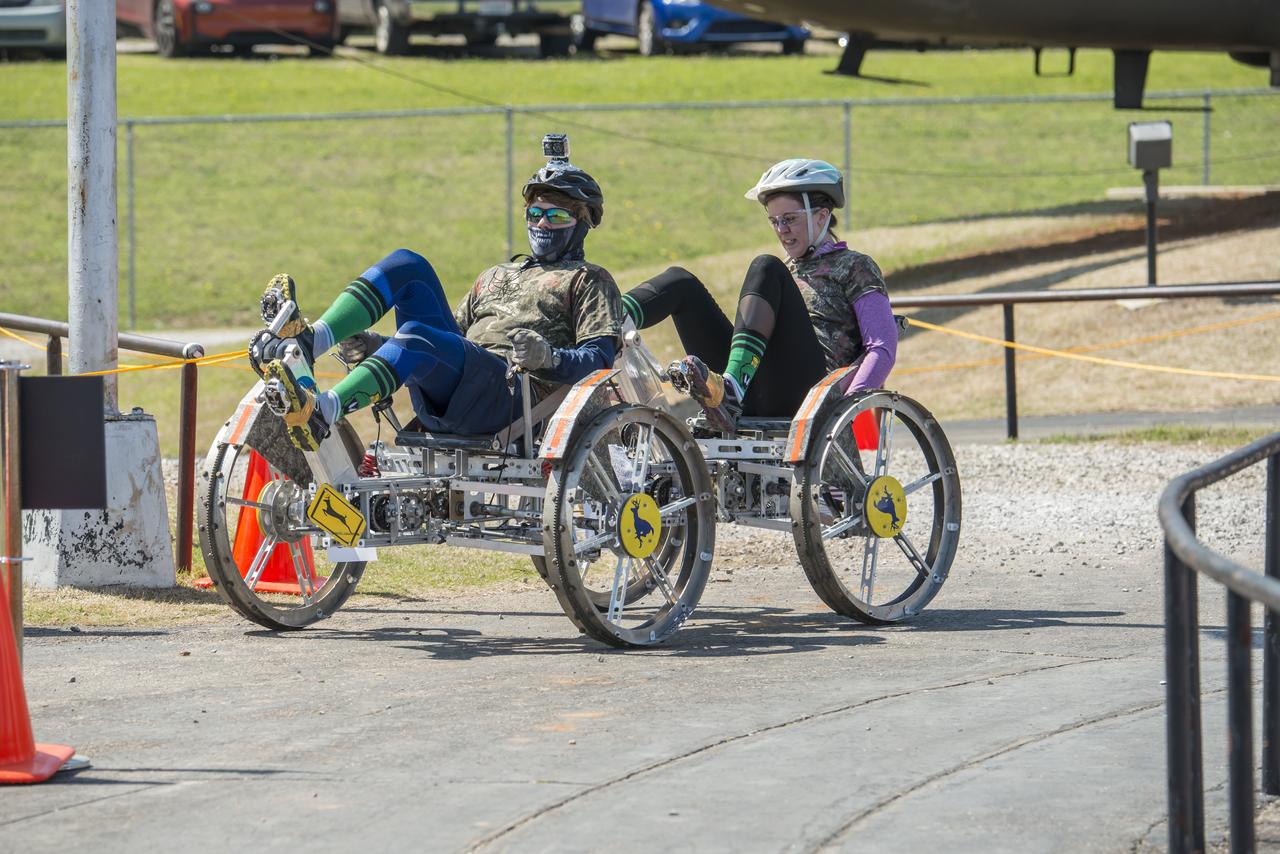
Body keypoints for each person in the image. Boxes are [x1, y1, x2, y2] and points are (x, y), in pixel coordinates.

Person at [248, 148, 623, 451]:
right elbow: (445, 346)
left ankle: (322, 413)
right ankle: (312, 339)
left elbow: (599, 360)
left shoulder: (589, 279)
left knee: (417, 336)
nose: (542, 224)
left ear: (582, 222)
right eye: (535, 213)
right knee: (408, 264)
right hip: (457, 389)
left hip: (510, 400)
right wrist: (378, 345)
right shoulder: (496, 274)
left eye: (556, 216)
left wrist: (548, 357)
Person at [620, 158, 898, 432]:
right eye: (774, 221)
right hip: (755, 387)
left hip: (810, 394)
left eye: (789, 219)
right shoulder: (785, 271)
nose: (781, 230)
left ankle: (732, 388)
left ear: (821, 216)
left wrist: (847, 409)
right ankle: (607, 324)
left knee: (766, 266)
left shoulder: (856, 266)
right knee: (680, 282)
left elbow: (882, 348)